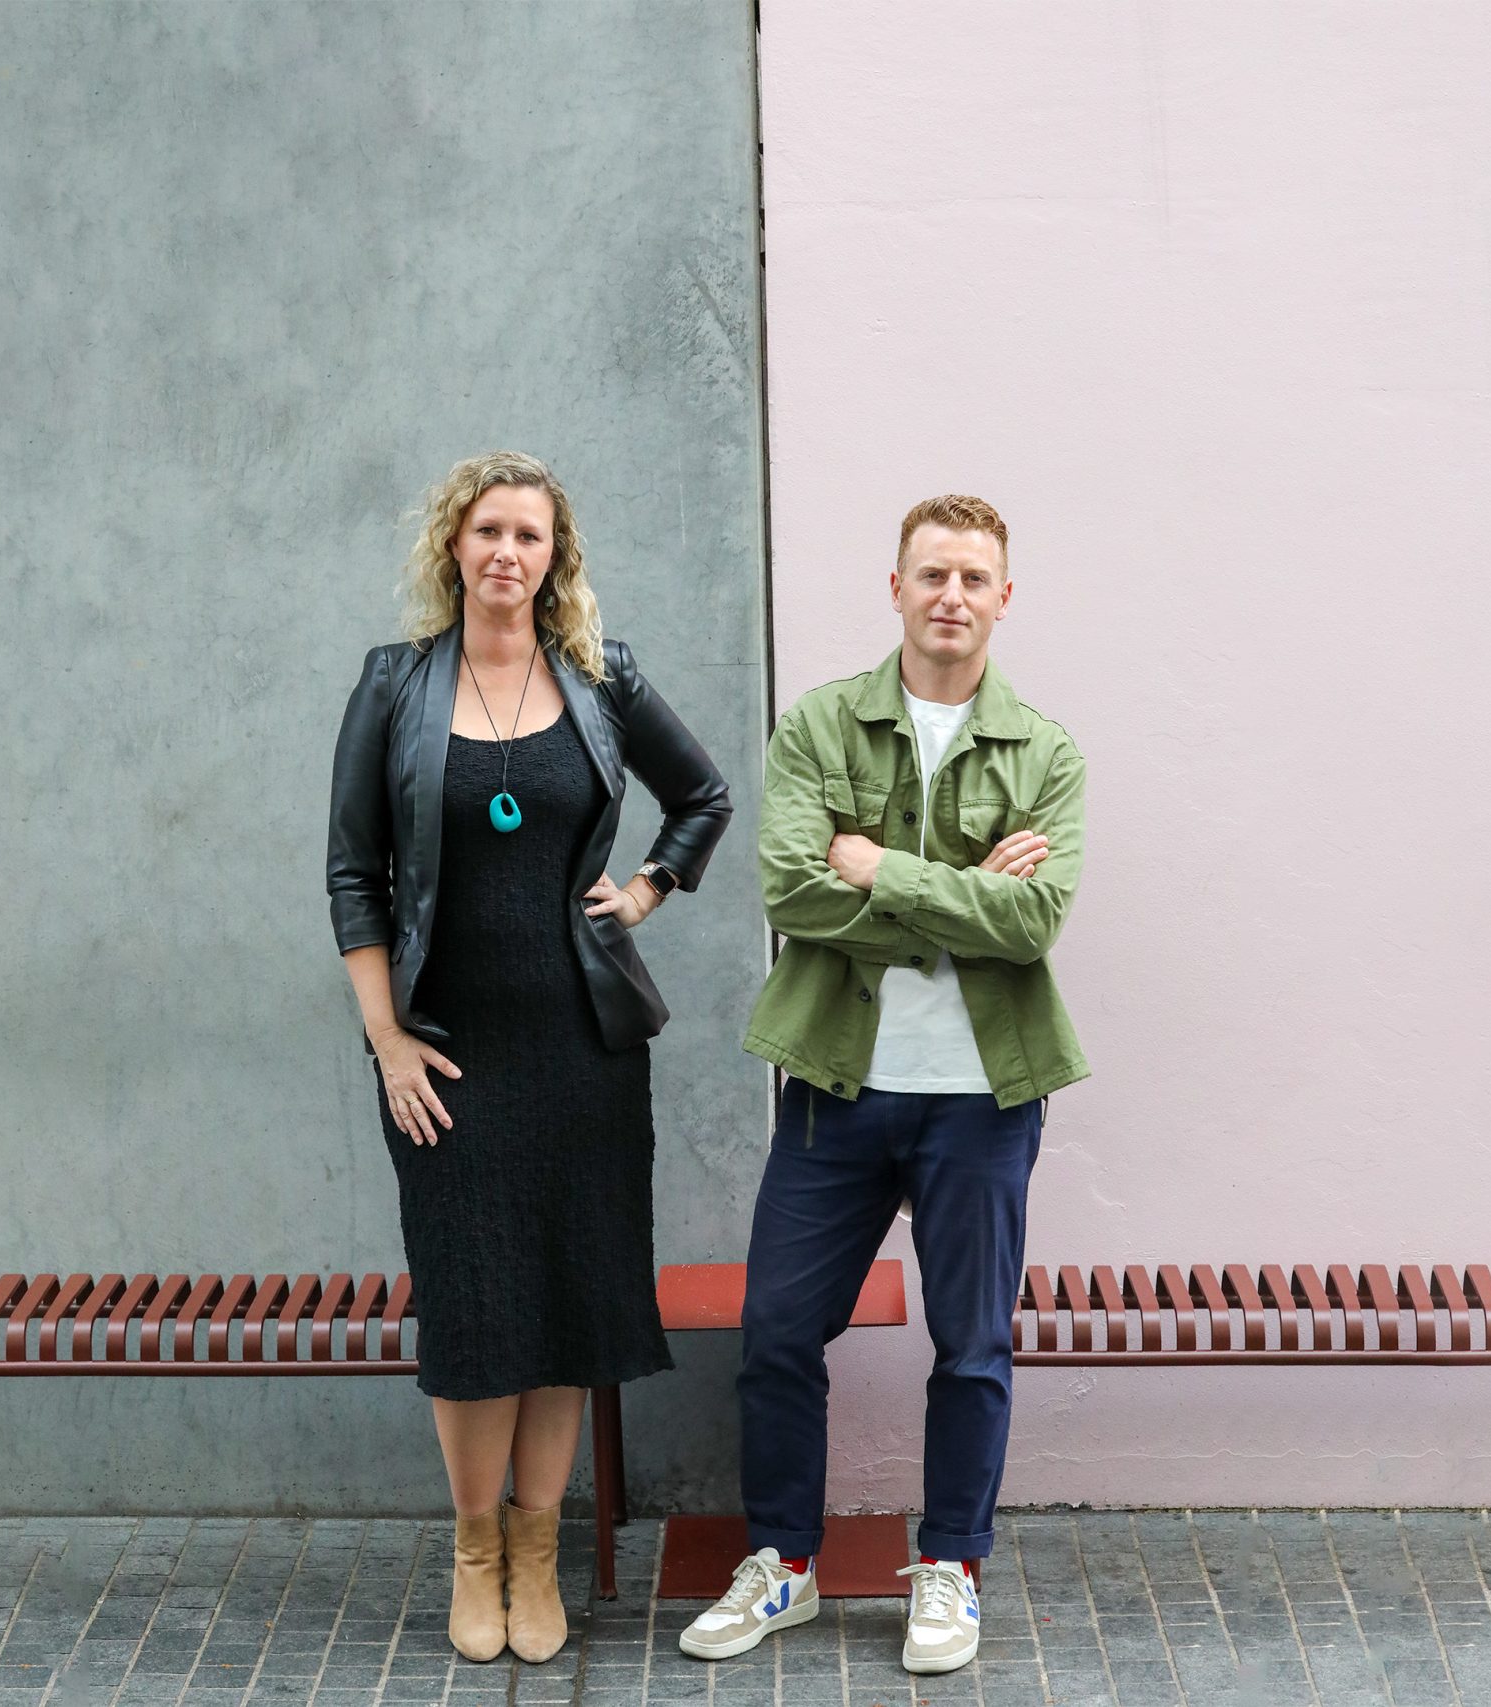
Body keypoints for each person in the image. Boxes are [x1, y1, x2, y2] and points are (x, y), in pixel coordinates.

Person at [326, 451, 732, 1664]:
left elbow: (702, 794)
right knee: (471, 1307)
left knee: (563, 1304)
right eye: (489, 531)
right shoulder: (395, 685)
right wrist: (387, 1037)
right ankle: (474, 1549)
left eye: (532, 537)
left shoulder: (601, 680)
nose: (509, 553)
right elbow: (355, 873)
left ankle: (539, 1548)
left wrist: (650, 891)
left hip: (582, 1049)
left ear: (558, 558)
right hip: (446, 1053)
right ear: (454, 545)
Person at [681, 494, 1086, 1675]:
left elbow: (1034, 925)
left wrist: (885, 870)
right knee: (775, 1332)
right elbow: (791, 895)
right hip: (837, 1087)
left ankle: (950, 1568)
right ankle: (783, 1565)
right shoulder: (820, 727)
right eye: (931, 575)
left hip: (982, 1099)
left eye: (973, 577)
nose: (950, 596)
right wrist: (961, 888)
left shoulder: (1044, 753)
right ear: (895, 587)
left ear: (1003, 597)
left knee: (970, 1345)